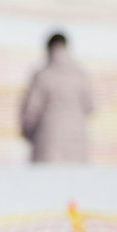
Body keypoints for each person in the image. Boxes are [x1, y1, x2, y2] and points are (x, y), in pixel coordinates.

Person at [20, 30, 94, 164]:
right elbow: (90, 107)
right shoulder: (81, 74)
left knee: (48, 183)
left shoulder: (42, 75)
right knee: (76, 182)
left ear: (48, 48)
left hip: (48, 138)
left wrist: (27, 133)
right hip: (78, 138)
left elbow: (32, 110)